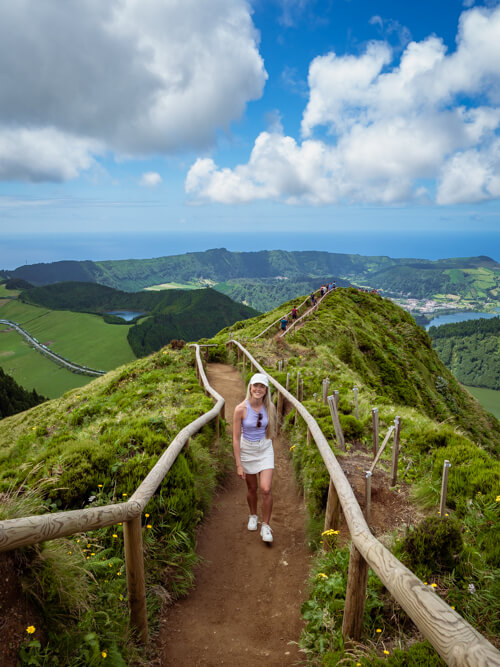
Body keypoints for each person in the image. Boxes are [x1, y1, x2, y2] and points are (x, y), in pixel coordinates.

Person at [233, 373, 277, 543]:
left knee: (265, 488)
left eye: (262, 387)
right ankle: (253, 515)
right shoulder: (240, 409)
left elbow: (271, 430)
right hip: (247, 451)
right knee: (252, 488)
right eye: (255, 386)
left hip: (265, 448)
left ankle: (266, 526)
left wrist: (268, 447)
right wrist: (239, 464)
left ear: (266, 390)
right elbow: (236, 438)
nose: (258, 389)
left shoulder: (270, 407)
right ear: (250, 388)